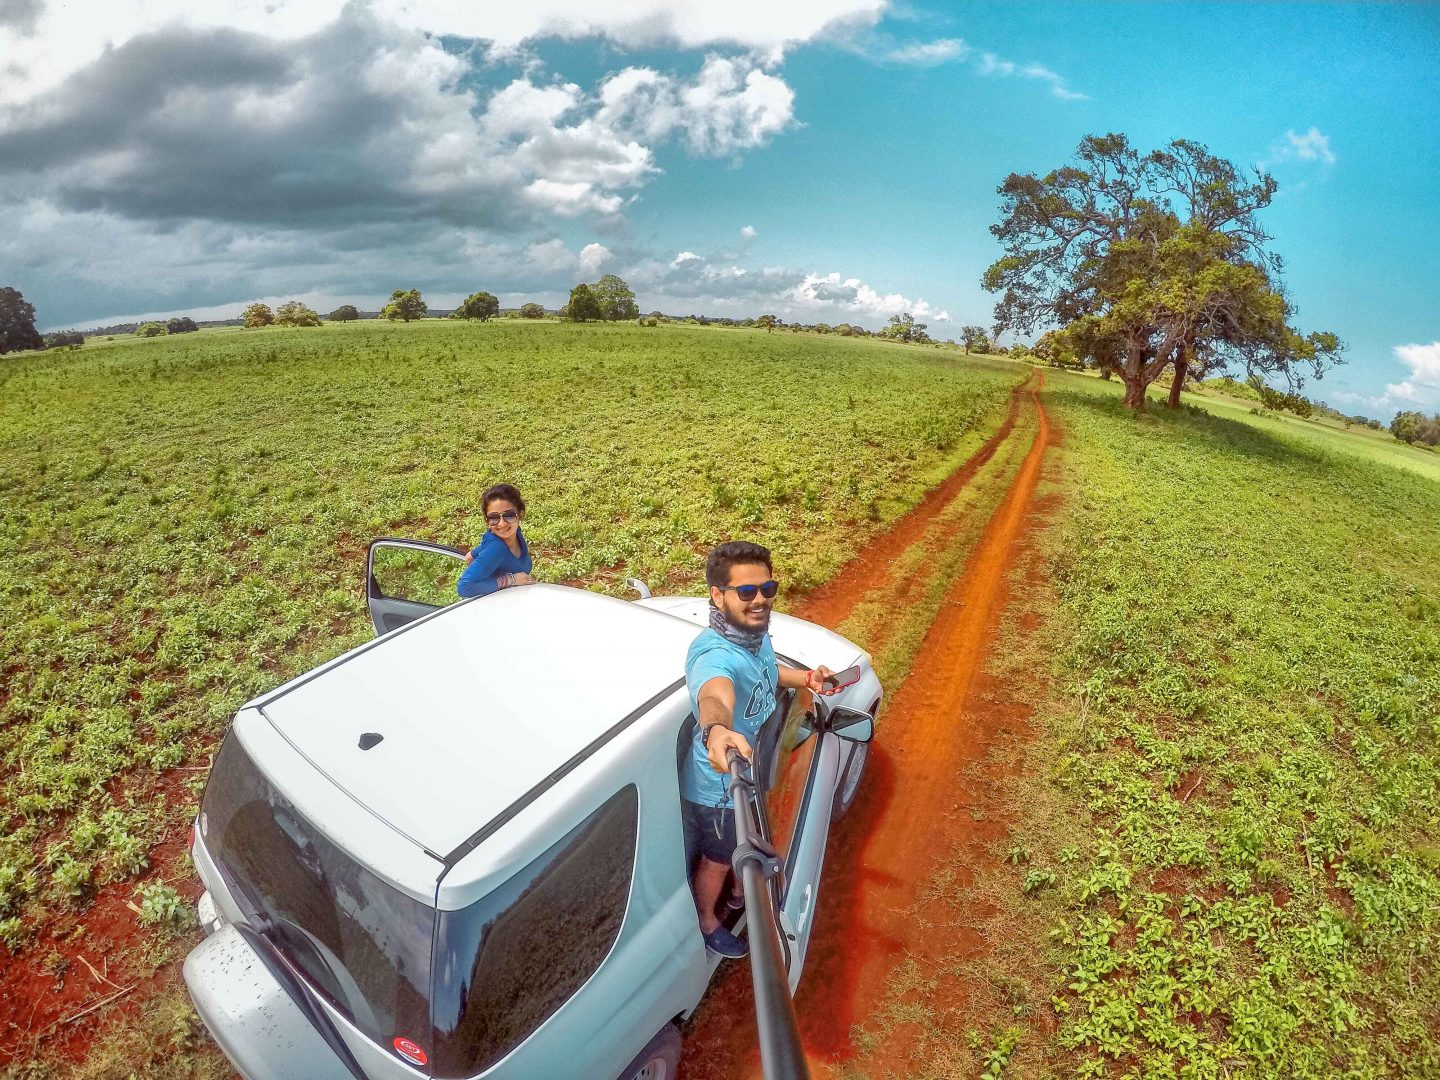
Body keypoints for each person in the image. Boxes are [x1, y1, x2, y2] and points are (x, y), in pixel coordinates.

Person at [680, 540, 839, 958]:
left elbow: (768, 673)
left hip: (750, 775)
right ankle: (709, 921)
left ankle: (740, 893)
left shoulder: (754, 636)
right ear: (717, 595)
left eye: (768, 589)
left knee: (745, 843)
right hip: (720, 787)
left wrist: (806, 679)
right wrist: (716, 731)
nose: (760, 600)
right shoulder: (714, 653)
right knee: (718, 858)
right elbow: (714, 696)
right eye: (746, 592)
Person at [456, 483, 535, 598]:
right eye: (494, 517)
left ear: (520, 514)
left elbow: (480, 549)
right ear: (487, 520)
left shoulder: (515, 533)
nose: (502, 524)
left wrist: (473, 553)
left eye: (509, 515)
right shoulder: (496, 548)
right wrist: (510, 580)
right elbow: (464, 587)